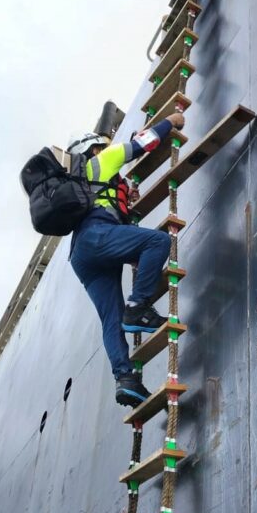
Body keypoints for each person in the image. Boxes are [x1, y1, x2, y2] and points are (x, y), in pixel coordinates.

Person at [67, 113, 186, 407]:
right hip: (98, 235)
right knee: (157, 241)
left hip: (82, 254)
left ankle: (126, 379)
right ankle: (138, 308)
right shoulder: (103, 160)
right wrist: (171, 121)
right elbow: (143, 143)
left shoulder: (86, 182)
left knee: (111, 317)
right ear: (94, 148)